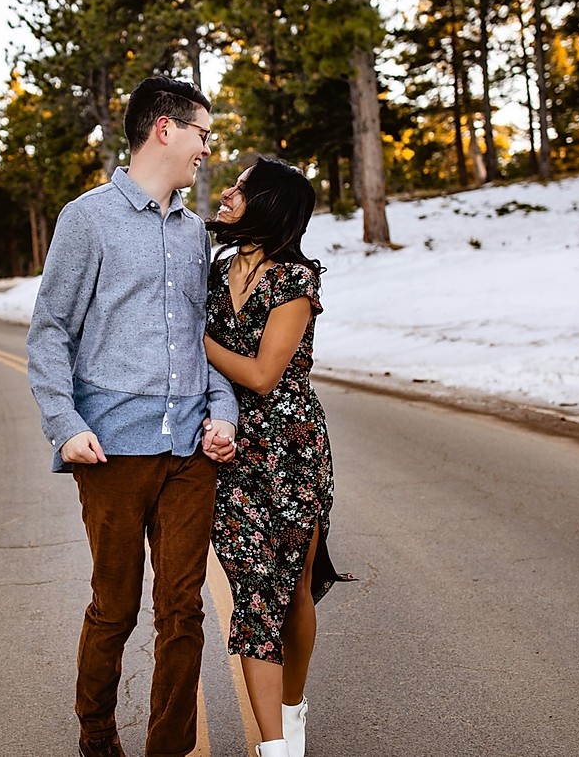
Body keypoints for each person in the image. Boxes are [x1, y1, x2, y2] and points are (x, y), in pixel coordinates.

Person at [27, 76, 240, 757]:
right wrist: (65, 424)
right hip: (111, 451)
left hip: (190, 455)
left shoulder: (192, 234)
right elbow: (51, 330)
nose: (209, 146)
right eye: (203, 132)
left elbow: (205, 340)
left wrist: (223, 413)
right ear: (165, 129)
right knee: (115, 607)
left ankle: (168, 750)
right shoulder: (86, 218)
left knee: (183, 613)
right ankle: (97, 736)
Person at [203, 157, 353, 757]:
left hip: (292, 451)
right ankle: (274, 750)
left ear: (269, 205)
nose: (228, 193)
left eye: (242, 188)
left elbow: (266, 375)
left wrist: (196, 341)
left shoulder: (295, 280)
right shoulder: (215, 273)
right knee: (255, 595)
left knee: (291, 593)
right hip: (232, 452)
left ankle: (294, 711)